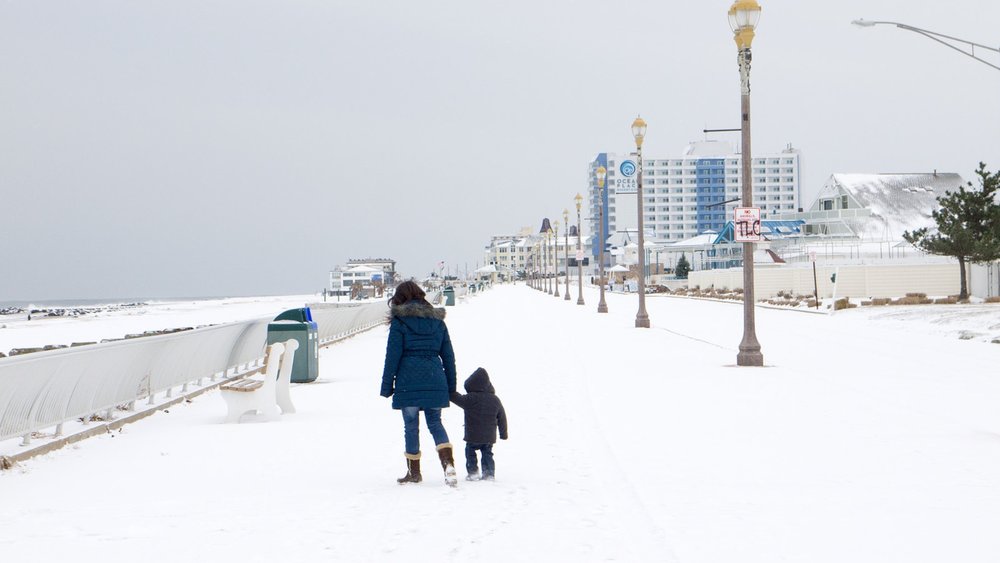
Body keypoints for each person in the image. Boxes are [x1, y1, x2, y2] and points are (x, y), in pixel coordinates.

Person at [380, 280, 458, 486]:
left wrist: (387, 385)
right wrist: (451, 386)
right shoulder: (438, 322)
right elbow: (449, 356)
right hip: (435, 378)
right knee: (435, 423)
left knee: (411, 426)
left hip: (408, 380)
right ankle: (448, 465)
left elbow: (392, 357)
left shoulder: (400, 322)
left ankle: (413, 473)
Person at [450, 367, 508, 481]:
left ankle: (473, 473)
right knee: (487, 454)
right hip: (489, 436)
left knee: (470, 452)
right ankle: (489, 474)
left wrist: (449, 391)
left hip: (472, 435)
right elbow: (502, 417)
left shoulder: (470, 398)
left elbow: (456, 398)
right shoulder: (495, 399)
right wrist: (503, 434)